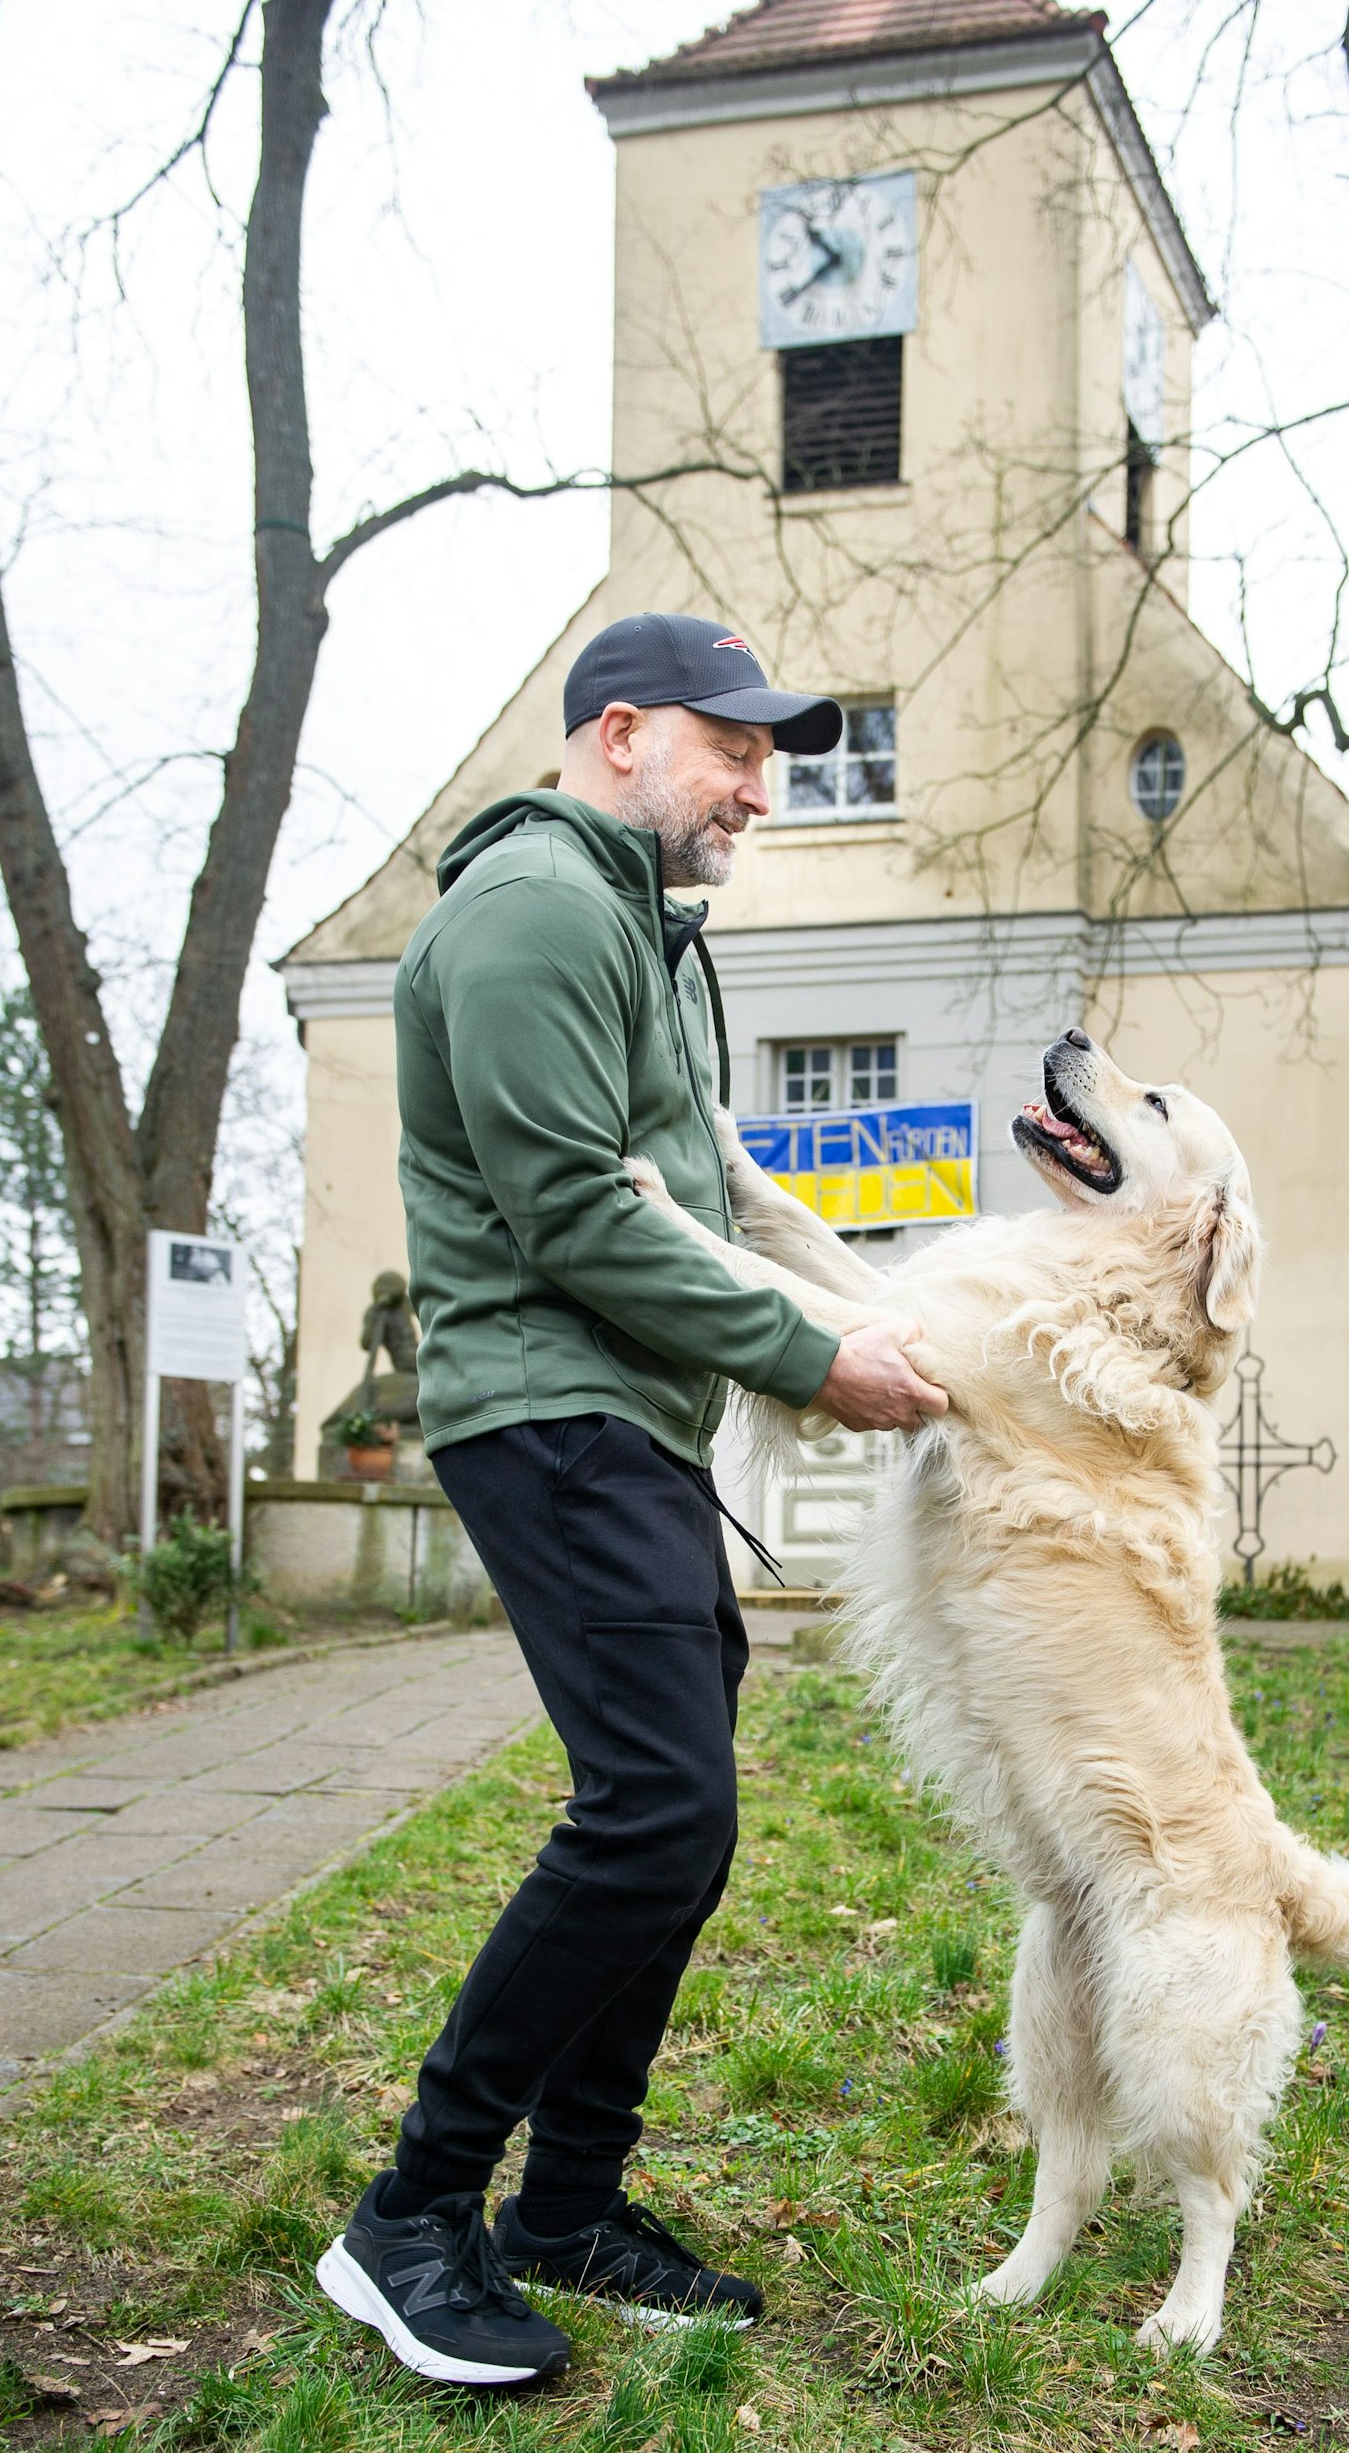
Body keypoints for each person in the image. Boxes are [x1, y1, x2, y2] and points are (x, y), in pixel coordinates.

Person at [316, 613, 948, 2387]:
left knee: (683, 1821)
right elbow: (579, 1214)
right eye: (731, 748)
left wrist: (889, 1319)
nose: (762, 786)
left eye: (773, 757)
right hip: (550, 1411)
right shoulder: (531, 909)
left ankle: (568, 2206)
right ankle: (414, 2216)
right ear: (614, 736)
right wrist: (822, 1367)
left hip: (635, 1423)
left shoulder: (652, 936)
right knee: (656, 1812)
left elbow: (720, 1186)